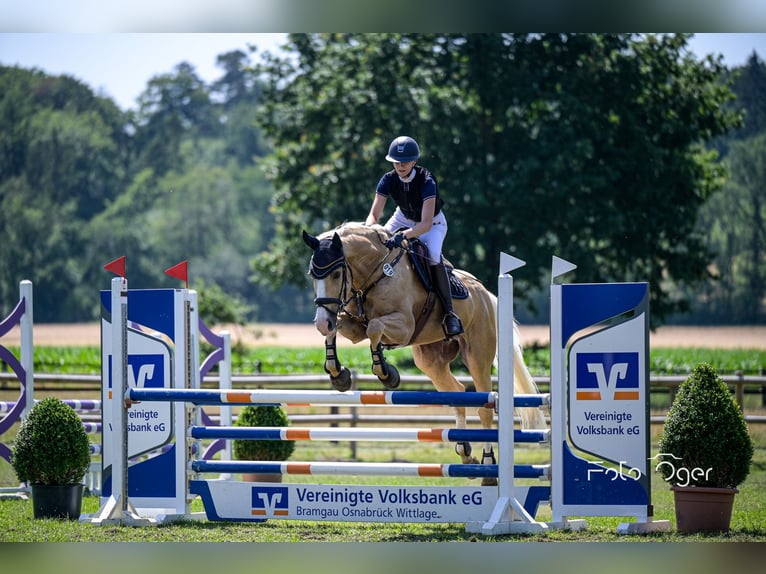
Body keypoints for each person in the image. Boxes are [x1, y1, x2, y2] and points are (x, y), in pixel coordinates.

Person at [364, 135, 464, 337]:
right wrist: (368, 231)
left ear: (414, 161)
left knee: (434, 255)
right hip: (402, 218)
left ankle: (449, 313)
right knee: (379, 248)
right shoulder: (388, 179)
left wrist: (403, 237)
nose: (400, 166)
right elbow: (375, 214)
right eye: (396, 162)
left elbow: (425, 224)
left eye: (405, 162)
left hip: (432, 224)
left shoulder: (427, 180)